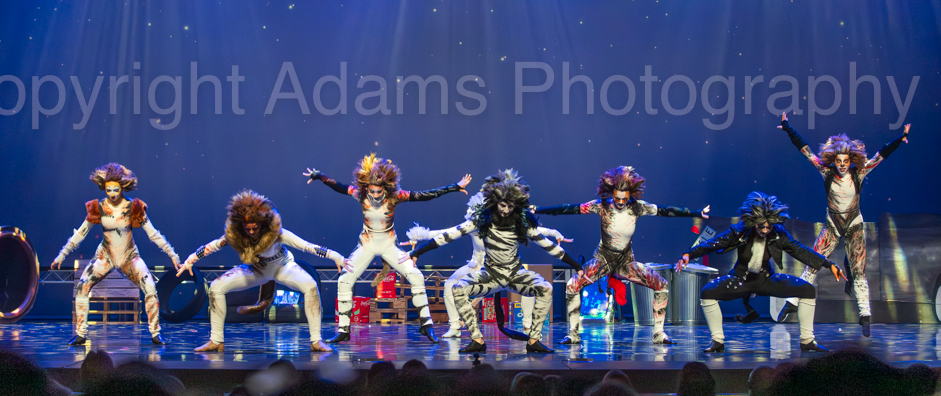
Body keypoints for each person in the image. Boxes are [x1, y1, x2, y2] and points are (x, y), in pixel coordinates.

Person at [409, 170, 583, 353]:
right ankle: (477, 339)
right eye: (502, 205)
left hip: (515, 274)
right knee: (457, 288)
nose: (505, 210)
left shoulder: (521, 223)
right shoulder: (482, 220)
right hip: (490, 275)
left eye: (510, 206)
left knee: (546, 288)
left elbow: (548, 245)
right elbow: (449, 235)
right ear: (495, 202)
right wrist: (419, 251)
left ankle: (533, 341)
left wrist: (576, 265)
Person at [533, 165, 709, 345]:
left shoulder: (638, 207)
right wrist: (538, 210)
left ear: (630, 195)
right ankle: (573, 334)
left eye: (624, 199)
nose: (620, 202)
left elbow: (666, 211)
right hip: (603, 259)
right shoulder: (602, 206)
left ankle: (659, 334)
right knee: (572, 284)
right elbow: (570, 208)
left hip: (626, 262)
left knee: (661, 285)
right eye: (617, 198)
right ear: (612, 193)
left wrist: (696, 213)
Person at [304, 153, 471, 343]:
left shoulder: (395, 197)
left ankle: (426, 326)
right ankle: (343, 330)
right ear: (366, 187)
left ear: (386, 187)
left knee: (416, 276)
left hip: (389, 244)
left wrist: (454, 187)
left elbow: (425, 195)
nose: (375, 195)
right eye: (372, 191)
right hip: (367, 243)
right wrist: (319, 175)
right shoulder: (360, 194)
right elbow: (339, 186)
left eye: (379, 191)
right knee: (344, 280)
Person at [778, 113, 911, 336]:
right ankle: (792, 302)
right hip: (832, 225)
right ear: (834, 160)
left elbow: (881, 155)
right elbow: (805, 150)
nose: (841, 165)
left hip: (854, 225)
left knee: (858, 271)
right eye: (838, 162)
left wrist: (900, 138)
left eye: (845, 162)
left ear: (850, 161)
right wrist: (788, 128)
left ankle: (865, 314)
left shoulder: (859, 173)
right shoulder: (826, 172)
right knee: (813, 263)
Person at [675, 192, 845, 353]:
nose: (764, 230)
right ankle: (717, 342)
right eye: (761, 226)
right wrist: (688, 254)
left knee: (807, 290)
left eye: (768, 227)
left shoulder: (778, 233)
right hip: (740, 279)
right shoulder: (739, 231)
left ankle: (807, 341)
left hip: (765, 279)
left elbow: (800, 250)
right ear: (752, 222)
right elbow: (715, 243)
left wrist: (829, 264)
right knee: (707, 292)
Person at [178, 190, 346, 352]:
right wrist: (190, 260)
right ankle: (216, 341)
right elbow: (213, 245)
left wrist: (334, 255)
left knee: (311, 286)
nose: (251, 232)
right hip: (256, 270)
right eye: (248, 228)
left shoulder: (277, 234)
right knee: (216, 287)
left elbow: (306, 246)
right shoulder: (236, 235)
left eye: (255, 228)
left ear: (263, 224)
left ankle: (316, 341)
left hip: (282, 267)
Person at [52, 163, 180, 346]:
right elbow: (81, 233)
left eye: (115, 190)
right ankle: (80, 334)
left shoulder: (133, 207)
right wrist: (62, 255)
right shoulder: (98, 207)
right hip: (105, 256)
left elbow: (153, 233)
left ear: (122, 188)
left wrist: (172, 254)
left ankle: (155, 333)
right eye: (108, 190)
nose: (112, 194)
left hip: (130, 257)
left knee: (151, 288)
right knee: (82, 286)